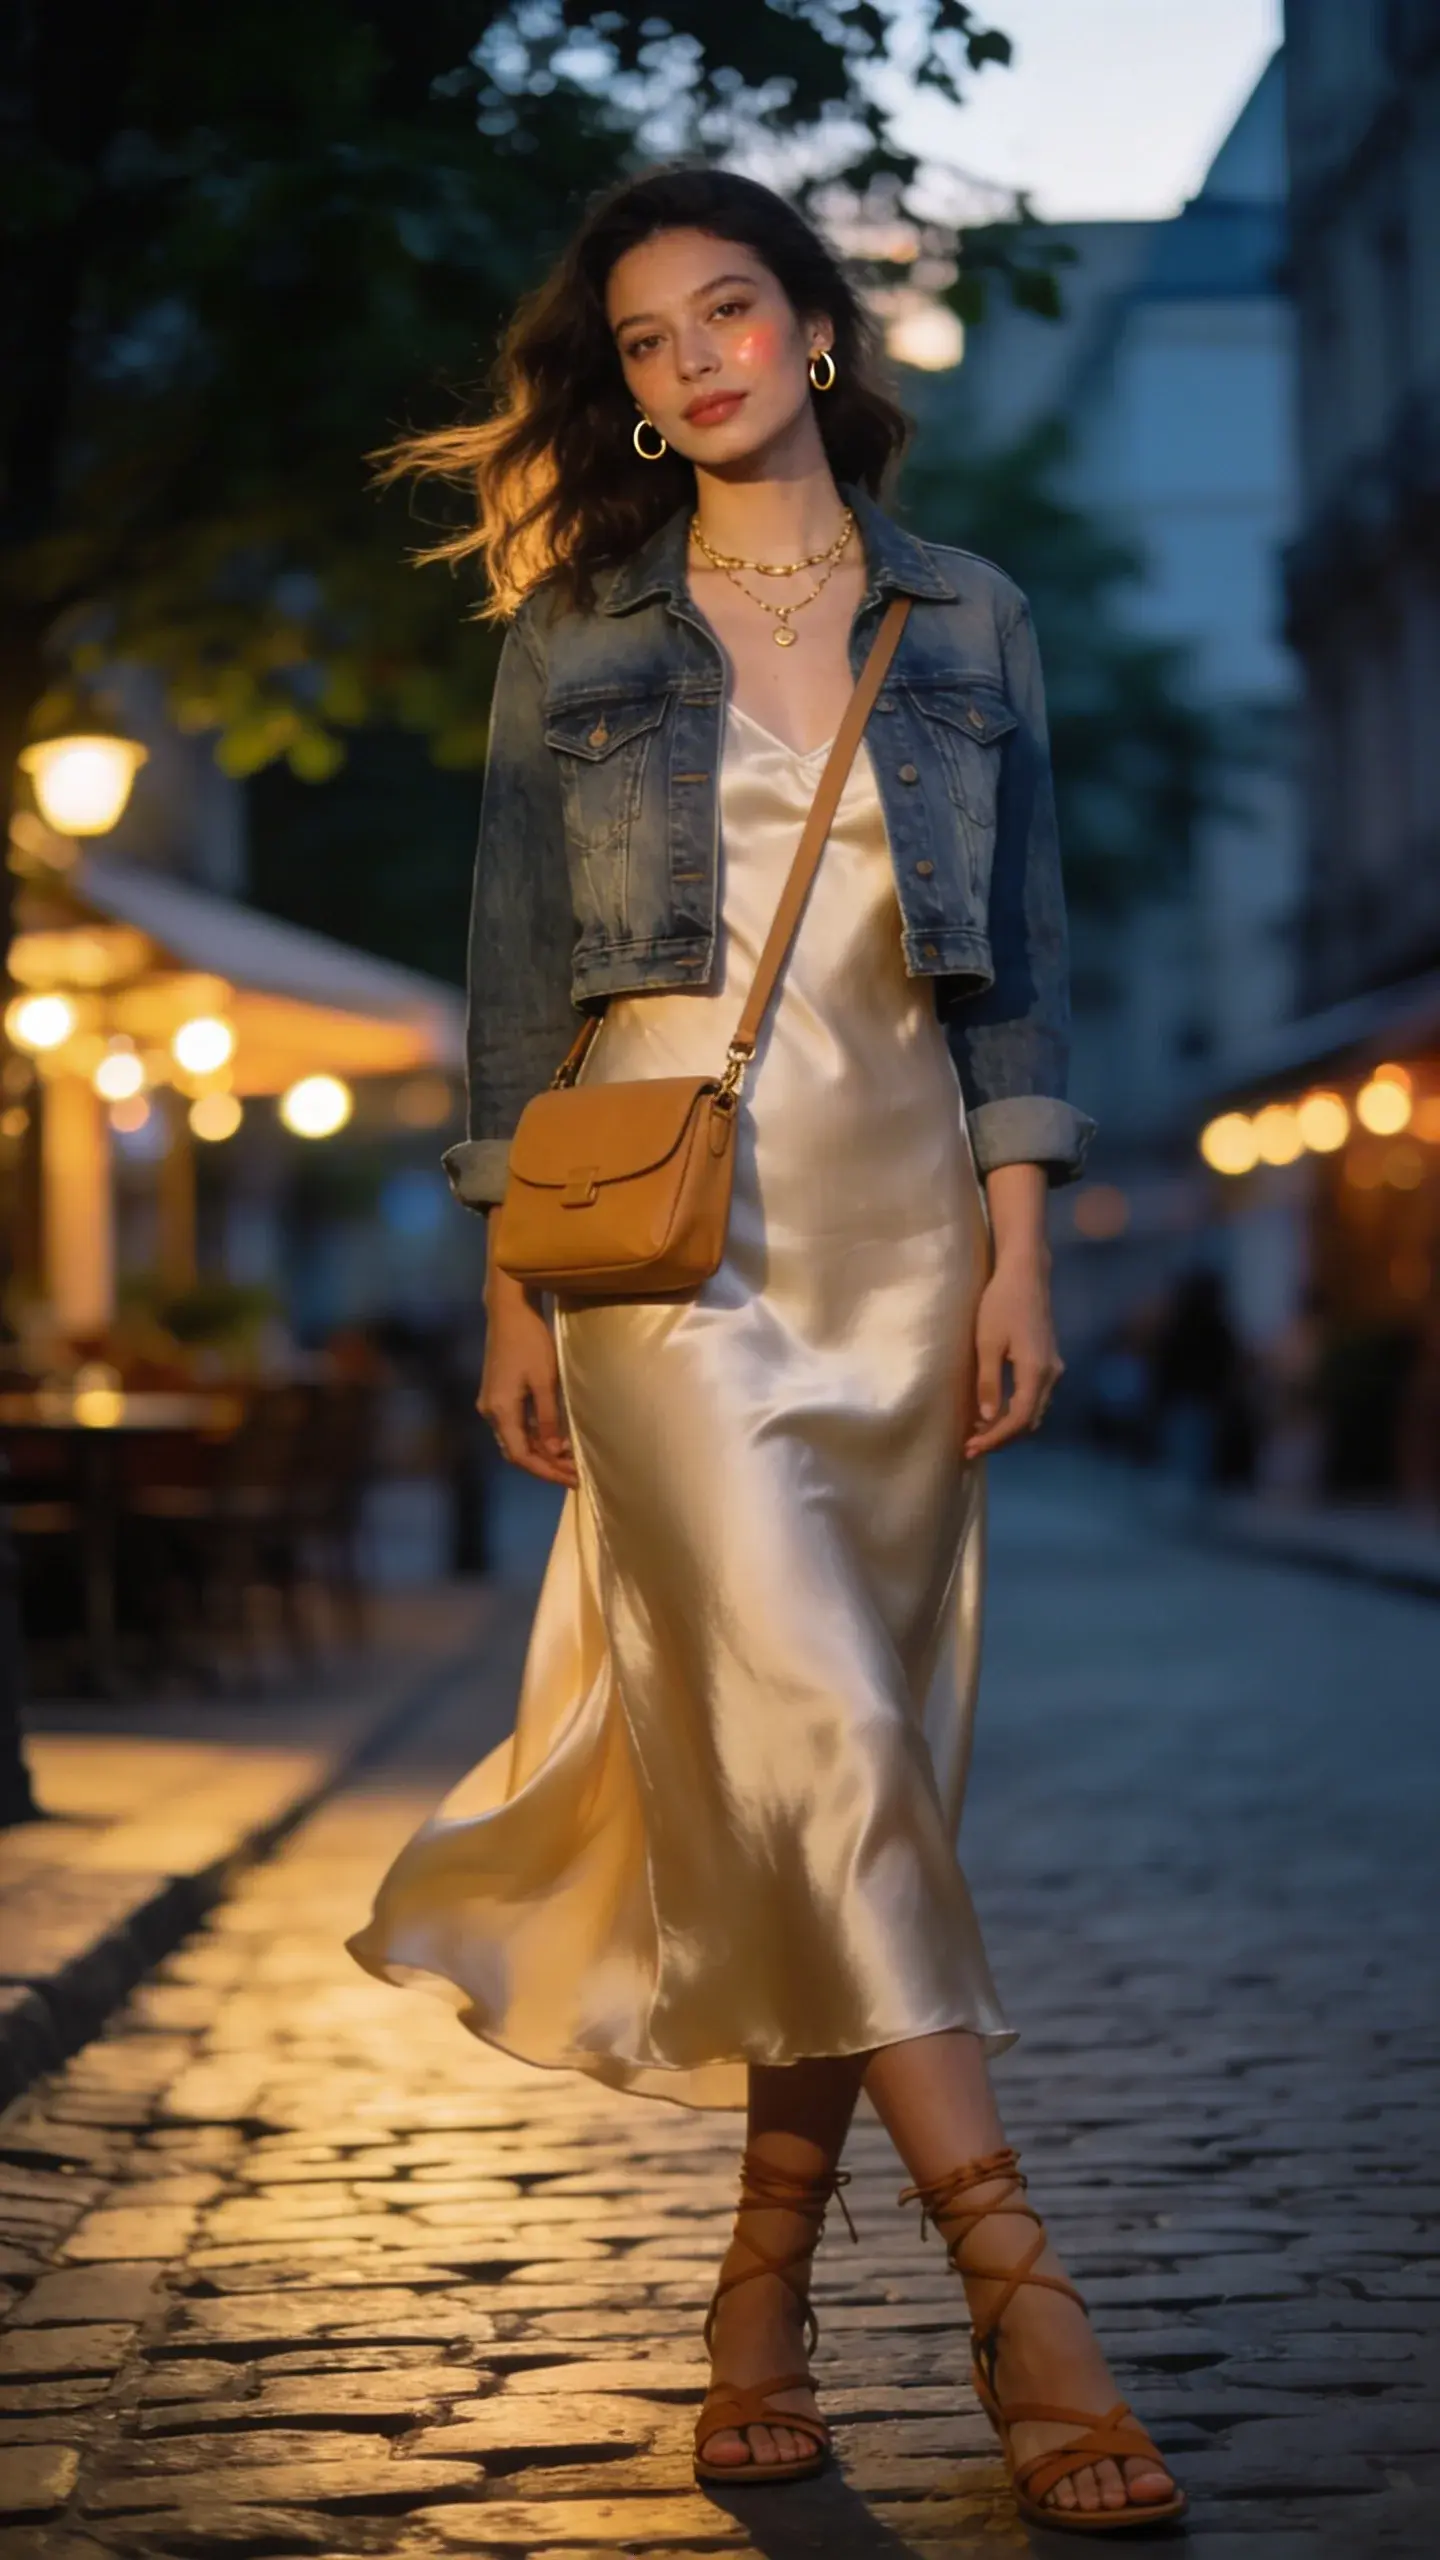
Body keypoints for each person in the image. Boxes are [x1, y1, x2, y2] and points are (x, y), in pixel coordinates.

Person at [347, 164, 1184, 2532]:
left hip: (908, 1222)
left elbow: (1016, 958)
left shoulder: (974, 614)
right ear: (620, 386)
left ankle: (759, 2283)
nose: (693, 357)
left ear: (816, 332)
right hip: (665, 1245)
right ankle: (1024, 2289)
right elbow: (518, 988)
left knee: (842, 1770)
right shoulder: (577, 629)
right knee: (816, 1726)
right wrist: (509, 1275)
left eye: (732, 309)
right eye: (643, 337)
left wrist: (1022, 1248)